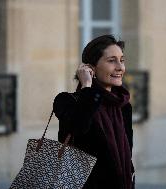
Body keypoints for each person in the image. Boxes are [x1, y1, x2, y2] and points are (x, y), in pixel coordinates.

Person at [53, 35, 135, 189]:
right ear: (91, 68)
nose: (120, 67)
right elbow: (78, 127)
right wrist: (87, 87)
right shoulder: (66, 101)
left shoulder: (123, 106)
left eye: (122, 60)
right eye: (111, 61)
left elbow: (127, 156)